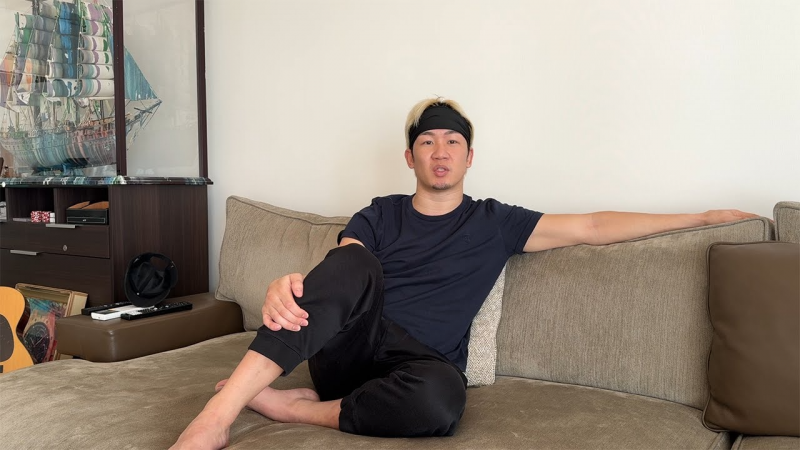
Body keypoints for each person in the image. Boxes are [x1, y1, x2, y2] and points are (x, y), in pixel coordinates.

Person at [172, 97, 758, 449]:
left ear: (469, 157)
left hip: (419, 368)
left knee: (442, 402)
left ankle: (296, 408)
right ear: (411, 157)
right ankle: (214, 420)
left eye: (453, 140)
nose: (441, 150)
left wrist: (701, 217)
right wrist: (287, 281)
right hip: (352, 347)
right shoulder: (381, 213)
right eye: (427, 141)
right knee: (352, 260)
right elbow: (344, 270)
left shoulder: (495, 223)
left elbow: (592, 226)